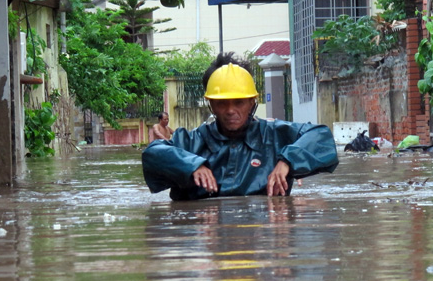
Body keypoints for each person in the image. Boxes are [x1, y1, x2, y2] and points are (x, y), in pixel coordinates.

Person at [141, 52, 339, 200]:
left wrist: (288, 160)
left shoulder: (276, 135)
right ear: (211, 104)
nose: (230, 110)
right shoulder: (192, 141)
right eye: (222, 103)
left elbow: (321, 135)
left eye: (238, 102)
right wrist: (191, 164)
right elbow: (153, 153)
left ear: (252, 102)